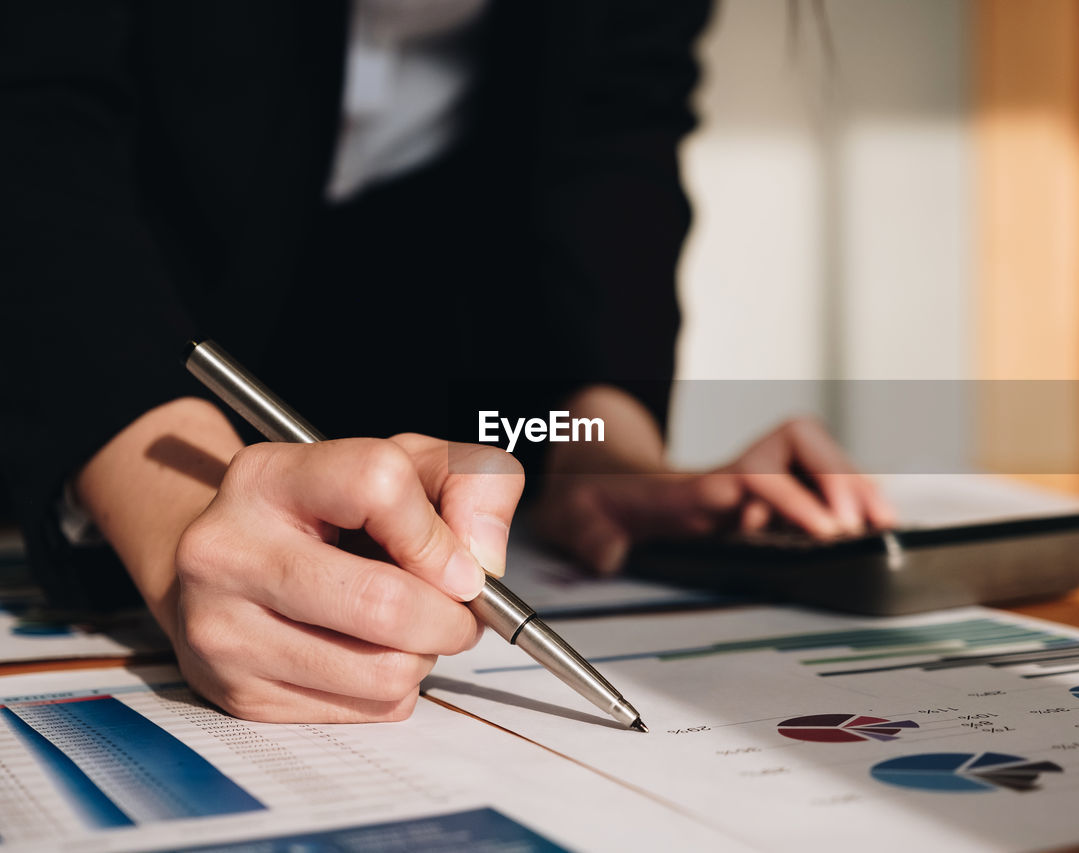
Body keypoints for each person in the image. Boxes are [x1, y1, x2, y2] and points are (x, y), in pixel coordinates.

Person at [0, 1, 893, 724]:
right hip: (89, 358)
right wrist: (177, 505)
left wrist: (601, 447)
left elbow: (613, 128)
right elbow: (31, 107)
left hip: (426, 403)